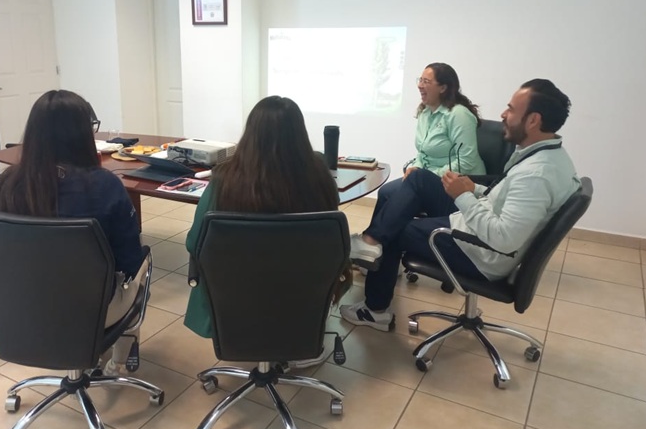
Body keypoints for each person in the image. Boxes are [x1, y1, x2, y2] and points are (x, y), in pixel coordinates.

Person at [341, 79, 580, 330]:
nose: (503, 114)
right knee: (420, 179)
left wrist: (463, 197)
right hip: (477, 224)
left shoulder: (536, 175)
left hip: (480, 252)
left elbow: (503, 239)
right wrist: (473, 189)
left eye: (511, 109)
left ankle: (375, 309)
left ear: (533, 120)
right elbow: (507, 199)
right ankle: (370, 243)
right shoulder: (550, 155)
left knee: (396, 229)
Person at [184, 95, 352, 365]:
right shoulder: (319, 174)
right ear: (300, 135)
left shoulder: (224, 180)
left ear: (250, 135)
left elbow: (195, 244)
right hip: (302, 292)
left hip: (237, 296)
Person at [0, 89, 143, 373]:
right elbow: (130, 260)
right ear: (82, 134)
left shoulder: (9, 183)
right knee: (142, 272)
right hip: (93, 309)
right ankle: (118, 363)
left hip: (23, 304)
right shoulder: (104, 185)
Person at [356, 63, 485, 276]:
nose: (420, 85)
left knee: (407, 186)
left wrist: (426, 176)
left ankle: (373, 243)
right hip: (429, 178)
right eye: (420, 80)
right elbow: (423, 152)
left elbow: (467, 160)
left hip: (458, 184)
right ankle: (378, 253)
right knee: (386, 192)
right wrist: (415, 166)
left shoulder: (458, 115)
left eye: (426, 81)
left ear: (443, 87)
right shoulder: (426, 112)